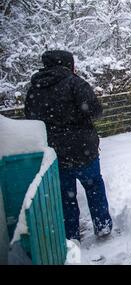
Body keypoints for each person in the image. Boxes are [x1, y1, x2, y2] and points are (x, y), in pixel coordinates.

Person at [24, 50, 112, 242]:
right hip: (83, 149)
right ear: (68, 64)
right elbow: (95, 111)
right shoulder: (75, 83)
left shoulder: (35, 89)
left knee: (66, 195)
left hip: (55, 152)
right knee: (94, 186)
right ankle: (102, 224)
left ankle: (70, 235)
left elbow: (30, 119)